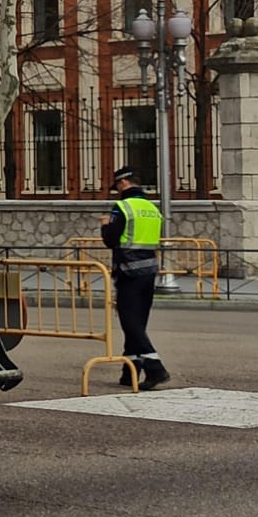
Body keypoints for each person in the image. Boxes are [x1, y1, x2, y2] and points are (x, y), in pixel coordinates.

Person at [101, 167, 171, 389]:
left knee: (130, 322)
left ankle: (155, 368)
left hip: (128, 271)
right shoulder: (151, 208)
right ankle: (129, 370)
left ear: (123, 184)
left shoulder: (123, 207)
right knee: (137, 322)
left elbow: (111, 240)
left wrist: (105, 226)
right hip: (149, 270)